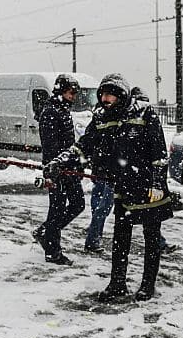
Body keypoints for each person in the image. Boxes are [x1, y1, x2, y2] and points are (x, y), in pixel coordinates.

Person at [45, 73, 172, 302]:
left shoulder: (144, 113)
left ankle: (147, 285)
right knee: (120, 237)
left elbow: (159, 153)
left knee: (151, 238)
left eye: (109, 94)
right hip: (123, 187)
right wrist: (60, 162)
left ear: (121, 95)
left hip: (149, 188)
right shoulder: (102, 118)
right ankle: (117, 283)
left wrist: (157, 182)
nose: (104, 99)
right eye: (102, 94)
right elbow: (83, 145)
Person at [32, 74, 86, 265]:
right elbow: (50, 146)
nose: (74, 96)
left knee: (78, 203)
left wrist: (75, 161)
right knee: (57, 209)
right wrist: (55, 168)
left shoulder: (62, 109)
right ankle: (53, 251)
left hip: (68, 168)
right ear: (61, 91)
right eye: (71, 93)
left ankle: (46, 231)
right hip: (57, 170)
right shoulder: (51, 112)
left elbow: (68, 143)